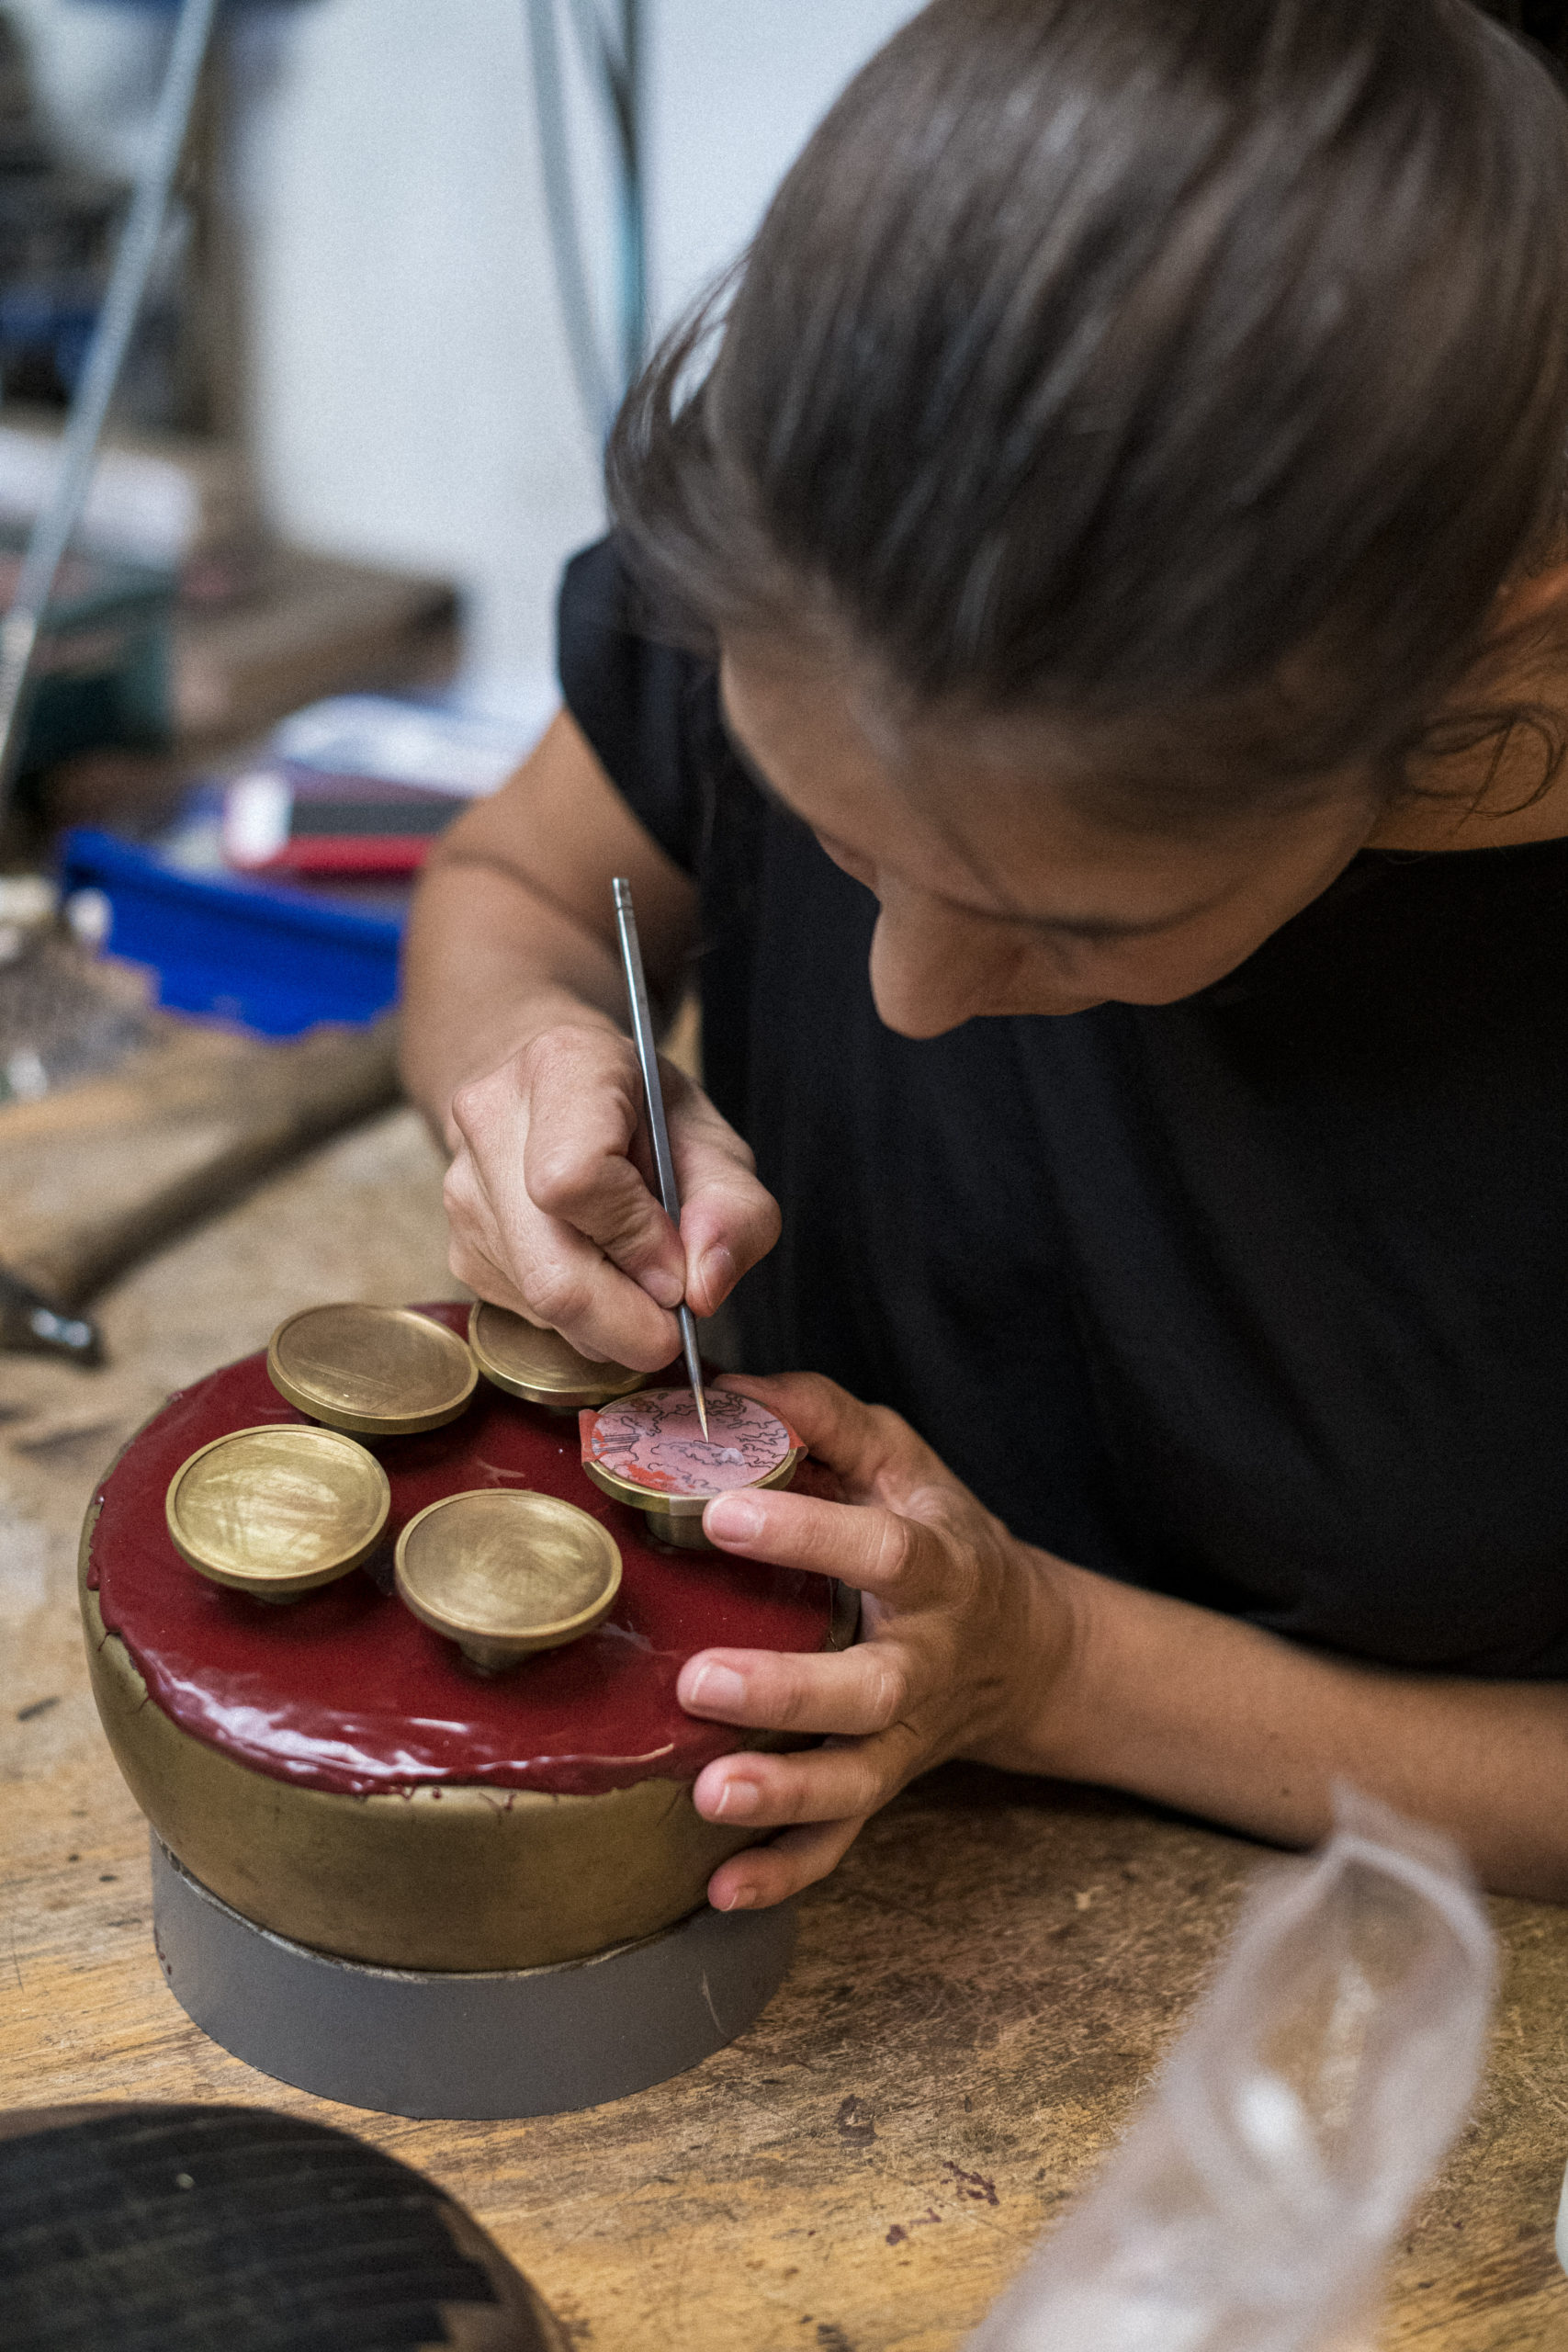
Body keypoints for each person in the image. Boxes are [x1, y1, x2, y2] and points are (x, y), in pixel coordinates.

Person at [402, 0, 1568, 1913]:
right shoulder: (827, 537)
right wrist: (522, 1048)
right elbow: (513, 883)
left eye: (1074, 917)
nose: (904, 999)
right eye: (838, 845)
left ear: (1455, 660)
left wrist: (1054, 1667)